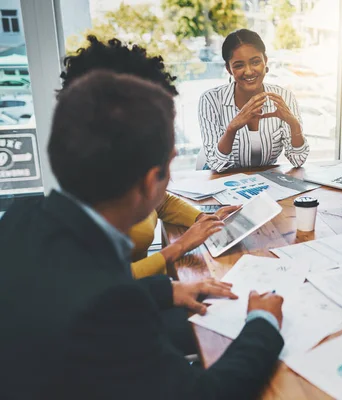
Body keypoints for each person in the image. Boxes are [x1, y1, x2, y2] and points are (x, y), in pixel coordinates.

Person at [0, 71, 285, 399]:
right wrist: (263, 322)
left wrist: (165, 290)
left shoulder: (19, 219)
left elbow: (66, 293)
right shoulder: (112, 307)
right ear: (152, 181)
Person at [60, 35, 239, 279]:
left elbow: (160, 201)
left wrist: (202, 218)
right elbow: (101, 284)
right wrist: (179, 247)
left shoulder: (124, 163)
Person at [198, 28, 309, 172]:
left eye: (255, 62)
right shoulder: (211, 100)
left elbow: (298, 159)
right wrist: (232, 128)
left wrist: (294, 124)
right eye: (239, 65)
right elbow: (216, 164)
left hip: (266, 182)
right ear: (229, 69)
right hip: (222, 180)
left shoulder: (284, 97)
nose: (249, 71)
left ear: (265, 61)